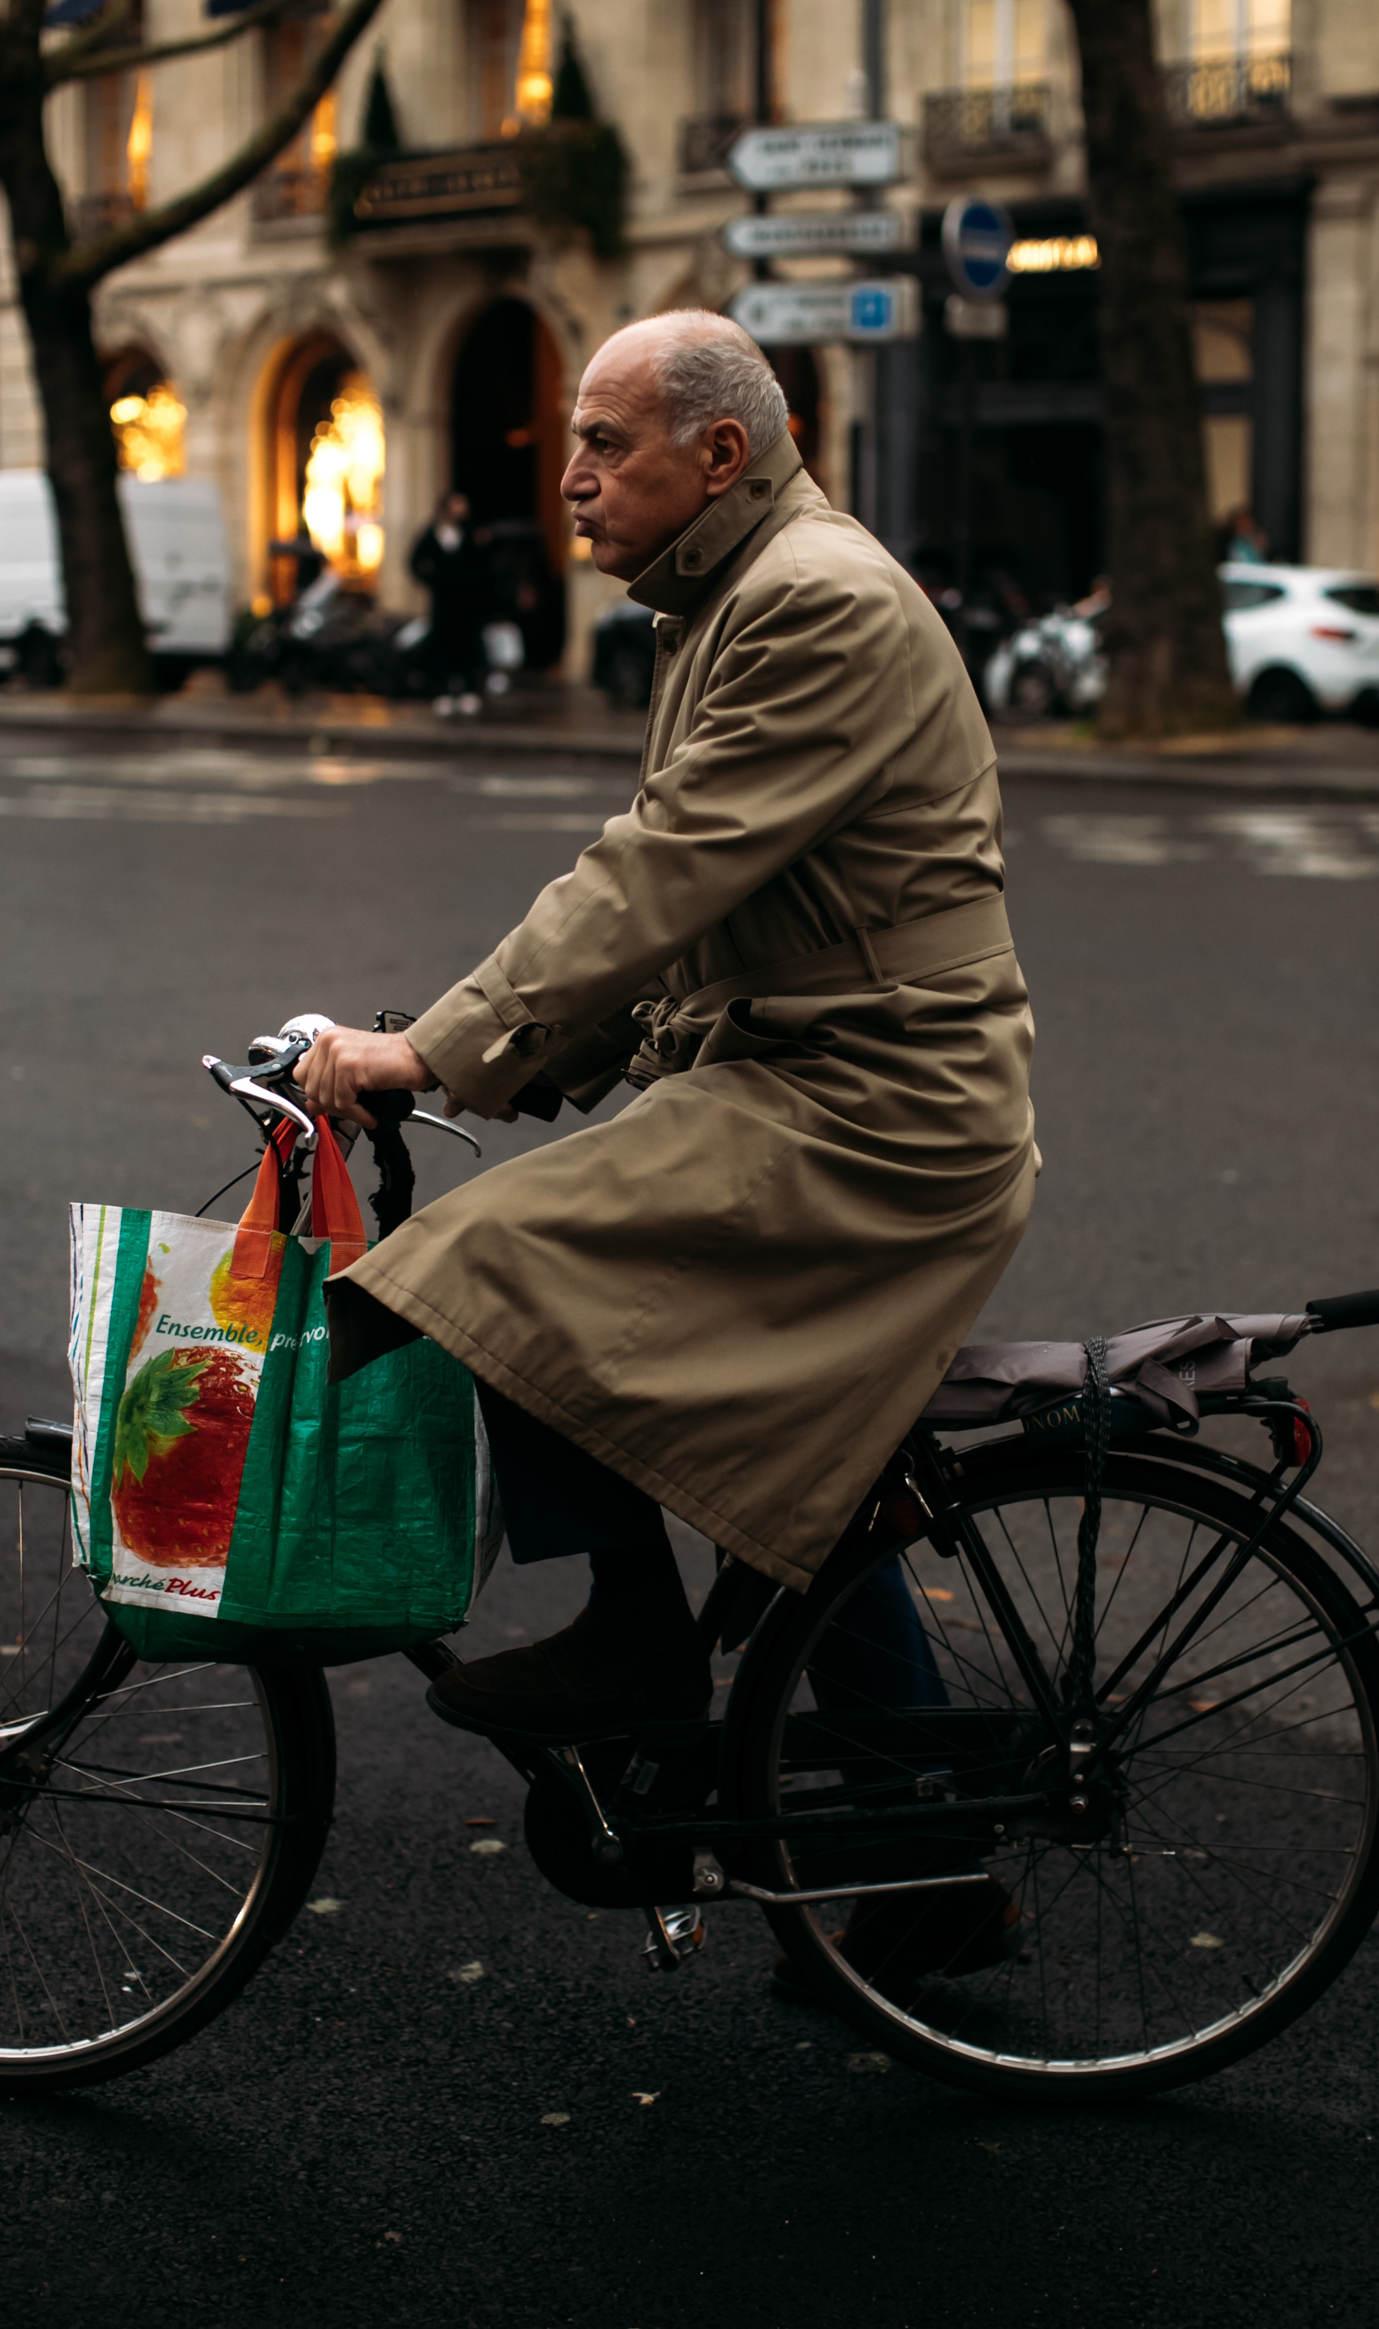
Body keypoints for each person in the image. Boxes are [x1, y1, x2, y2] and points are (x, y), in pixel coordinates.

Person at [296, 310, 1041, 1745]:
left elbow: (662, 869)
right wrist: (505, 1060)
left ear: (717, 454)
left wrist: (433, 1053)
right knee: (798, 1487)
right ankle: (922, 1868)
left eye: (600, 441)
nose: (567, 474)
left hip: (875, 1109)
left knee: (489, 1267)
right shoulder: (725, 593)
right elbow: (695, 921)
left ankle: (634, 1642)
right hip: (811, 1079)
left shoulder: (811, 599)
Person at [409, 489, 493, 714]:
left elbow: (484, 565)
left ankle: (468, 690)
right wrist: (433, 580)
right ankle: (442, 690)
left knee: (468, 645)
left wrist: (475, 584)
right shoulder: (432, 534)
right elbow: (415, 561)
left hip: (466, 602)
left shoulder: (471, 533)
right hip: (443, 602)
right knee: (442, 645)